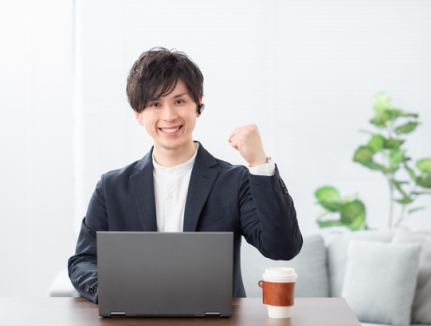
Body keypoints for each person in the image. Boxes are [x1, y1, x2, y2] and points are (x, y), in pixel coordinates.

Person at [68, 47, 303, 303]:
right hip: (135, 325)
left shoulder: (233, 182)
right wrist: (113, 293)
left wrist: (259, 164)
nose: (169, 116)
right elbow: (83, 261)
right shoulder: (111, 187)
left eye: (179, 101)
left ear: (198, 105)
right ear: (138, 115)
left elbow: (282, 247)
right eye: (155, 104)